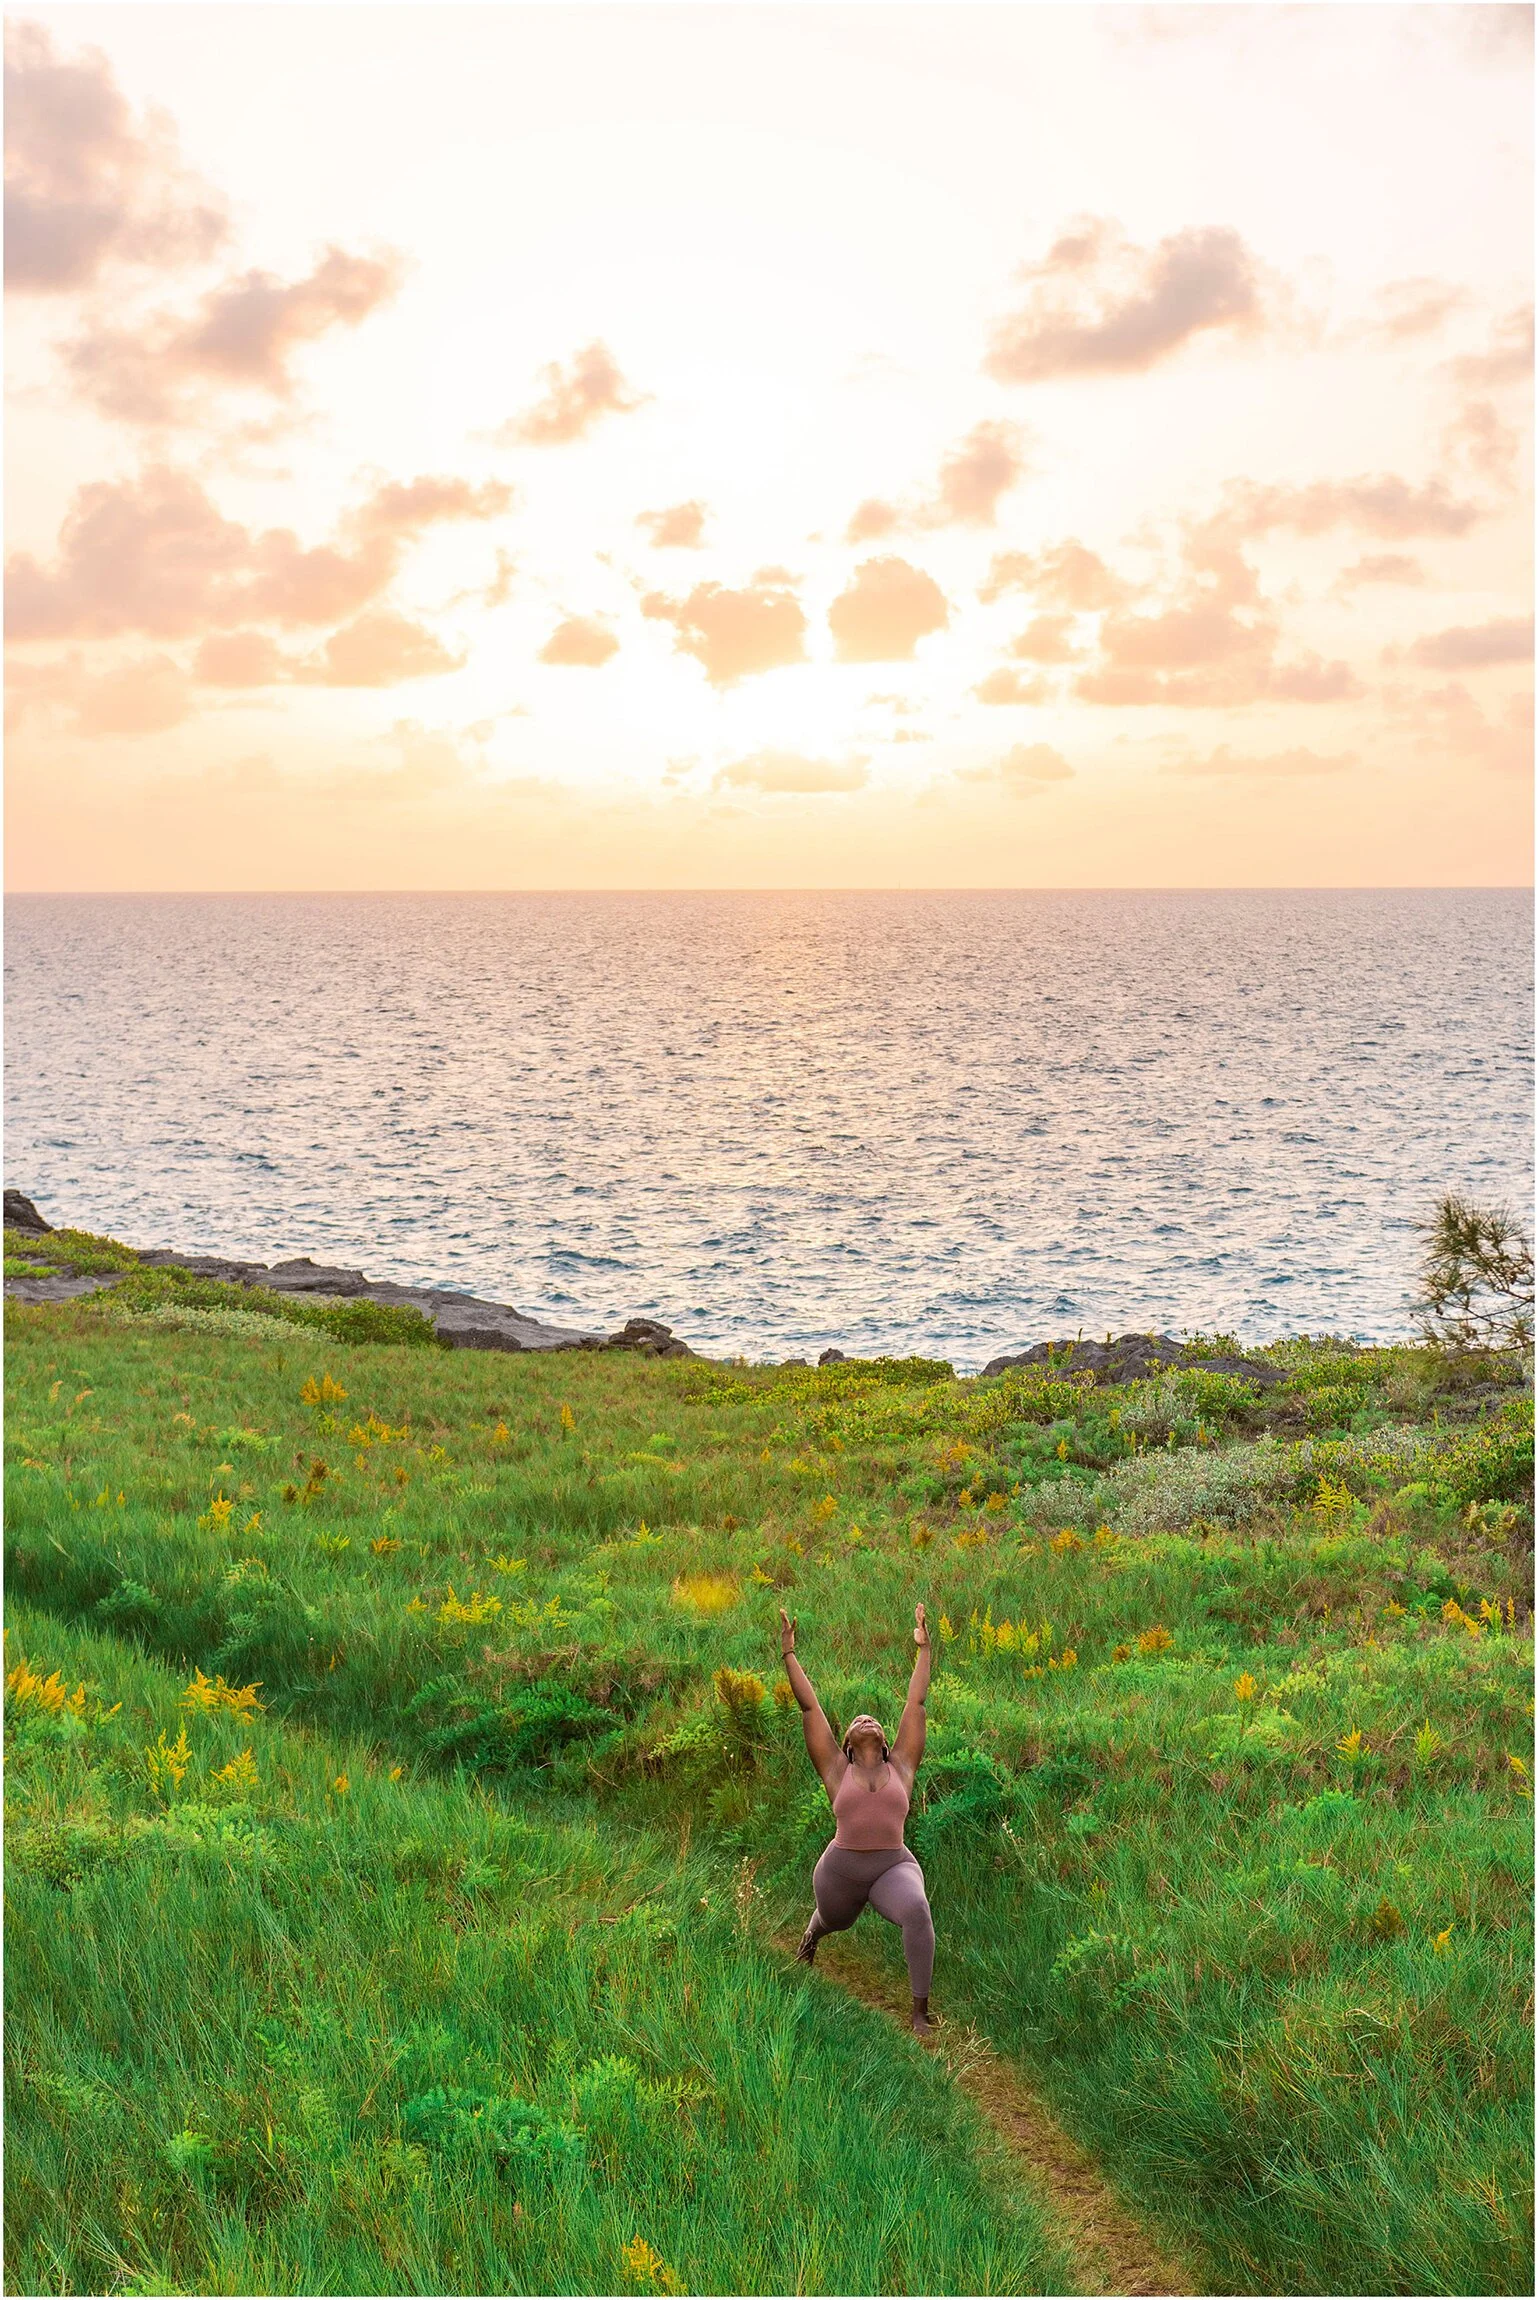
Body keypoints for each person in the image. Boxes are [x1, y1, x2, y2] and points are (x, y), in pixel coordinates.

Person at [779, 1601, 937, 2037]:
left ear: (886, 1742)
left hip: (892, 1866)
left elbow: (916, 1700)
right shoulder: (836, 1770)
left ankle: (920, 2010)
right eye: (857, 1720)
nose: (866, 1718)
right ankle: (812, 1937)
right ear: (847, 1744)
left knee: (918, 1909)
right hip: (841, 1869)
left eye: (874, 1719)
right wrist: (789, 1654)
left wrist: (924, 1648)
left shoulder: (902, 1766)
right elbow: (810, 1710)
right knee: (834, 1920)